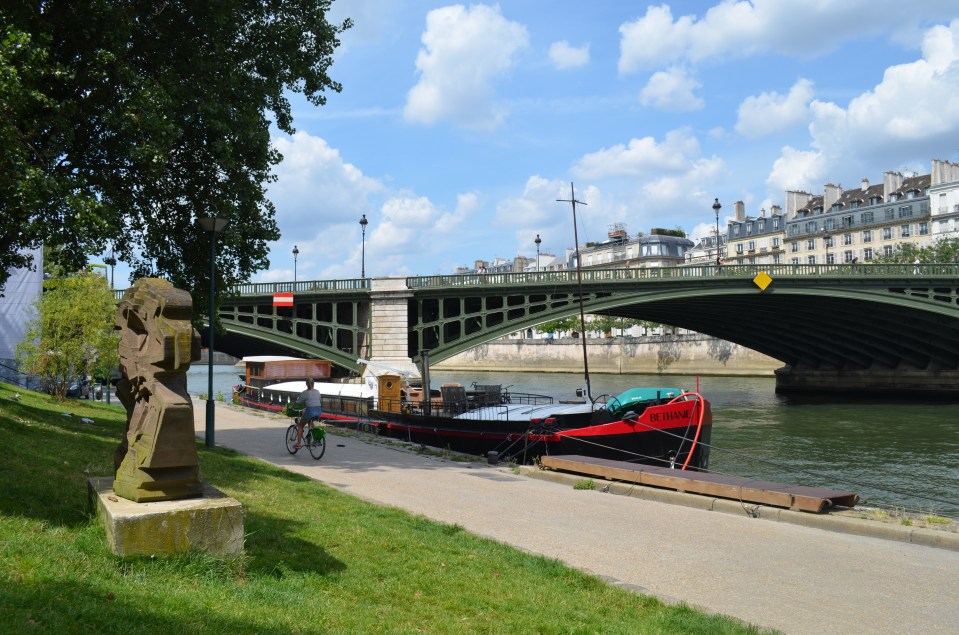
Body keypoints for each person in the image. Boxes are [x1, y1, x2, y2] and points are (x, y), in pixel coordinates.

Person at [294, 377, 322, 449]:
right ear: (314, 384)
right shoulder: (318, 391)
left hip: (310, 411)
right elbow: (317, 401)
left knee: (300, 426)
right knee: (311, 422)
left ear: (306, 384)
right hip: (319, 411)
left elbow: (297, 402)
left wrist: (292, 407)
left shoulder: (305, 393)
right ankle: (317, 439)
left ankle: (299, 443)